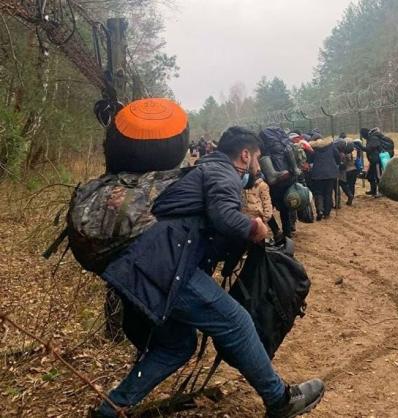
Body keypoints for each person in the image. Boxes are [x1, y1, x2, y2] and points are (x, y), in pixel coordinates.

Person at [94, 126, 325, 418]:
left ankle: (112, 408)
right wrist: (255, 228)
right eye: (256, 158)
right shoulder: (223, 172)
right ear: (244, 155)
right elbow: (225, 216)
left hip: (145, 267)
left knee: (177, 346)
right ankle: (280, 400)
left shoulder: (201, 170)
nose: (257, 166)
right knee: (237, 321)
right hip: (165, 267)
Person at [309, 133, 341, 220]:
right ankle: (327, 213)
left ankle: (319, 211)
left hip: (317, 174)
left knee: (318, 193)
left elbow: (310, 159)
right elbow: (338, 157)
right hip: (331, 173)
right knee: (328, 193)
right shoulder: (331, 146)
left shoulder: (313, 148)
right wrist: (336, 164)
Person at [243, 173, 279, 239]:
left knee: (258, 241)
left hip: (258, 218)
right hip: (245, 217)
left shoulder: (262, 186)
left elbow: (267, 202)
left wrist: (265, 217)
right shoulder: (242, 184)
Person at [358, 127, 384, 197]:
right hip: (372, 161)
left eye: (362, 135)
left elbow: (369, 149)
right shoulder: (370, 138)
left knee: (378, 177)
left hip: (376, 161)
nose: (362, 137)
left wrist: (360, 146)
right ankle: (373, 191)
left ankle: (381, 192)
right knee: (370, 176)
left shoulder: (373, 138)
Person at [336, 133, 358, 206]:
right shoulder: (353, 150)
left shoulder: (342, 153)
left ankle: (348, 197)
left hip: (346, 171)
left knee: (342, 184)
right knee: (350, 185)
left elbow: (342, 163)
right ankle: (351, 197)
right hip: (354, 169)